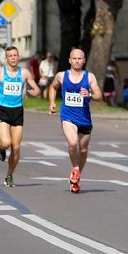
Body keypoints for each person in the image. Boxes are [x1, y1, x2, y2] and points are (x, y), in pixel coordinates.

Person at [0, 45, 41, 188]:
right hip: (3, 110)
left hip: (17, 111)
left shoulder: (24, 73)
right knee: (6, 142)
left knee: (16, 148)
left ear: (18, 57)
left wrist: (32, 92)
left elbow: (36, 89)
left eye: (15, 55)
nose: (13, 58)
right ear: (6, 58)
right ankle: (1, 148)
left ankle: (9, 176)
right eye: (10, 56)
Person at [47, 48, 103, 193]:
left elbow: (99, 95)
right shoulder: (61, 76)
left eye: (80, 59)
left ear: (84, 61)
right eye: (74, 58)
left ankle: (76, 177)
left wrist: (89, 94)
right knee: (72, 142)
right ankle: (75, 168)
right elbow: (53, 88)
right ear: (70, 60)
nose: (77, 61)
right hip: (68, 116)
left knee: (83, 150)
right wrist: (52, 103)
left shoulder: (89, 77)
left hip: (84, 119)